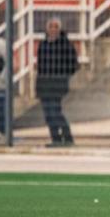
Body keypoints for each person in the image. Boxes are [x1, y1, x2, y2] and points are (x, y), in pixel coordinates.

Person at [36, 17, 78, 146]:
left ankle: (67, 137)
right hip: (44, 84)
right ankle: (55, 139)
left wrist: (63, 76)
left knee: (55, 112)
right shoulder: (43, 45)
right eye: (51, 26)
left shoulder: (65, 44)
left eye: (55, 27)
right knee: (48, 114)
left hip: (58, 83)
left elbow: (73, 63)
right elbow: (40, 67)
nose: (53, 29)